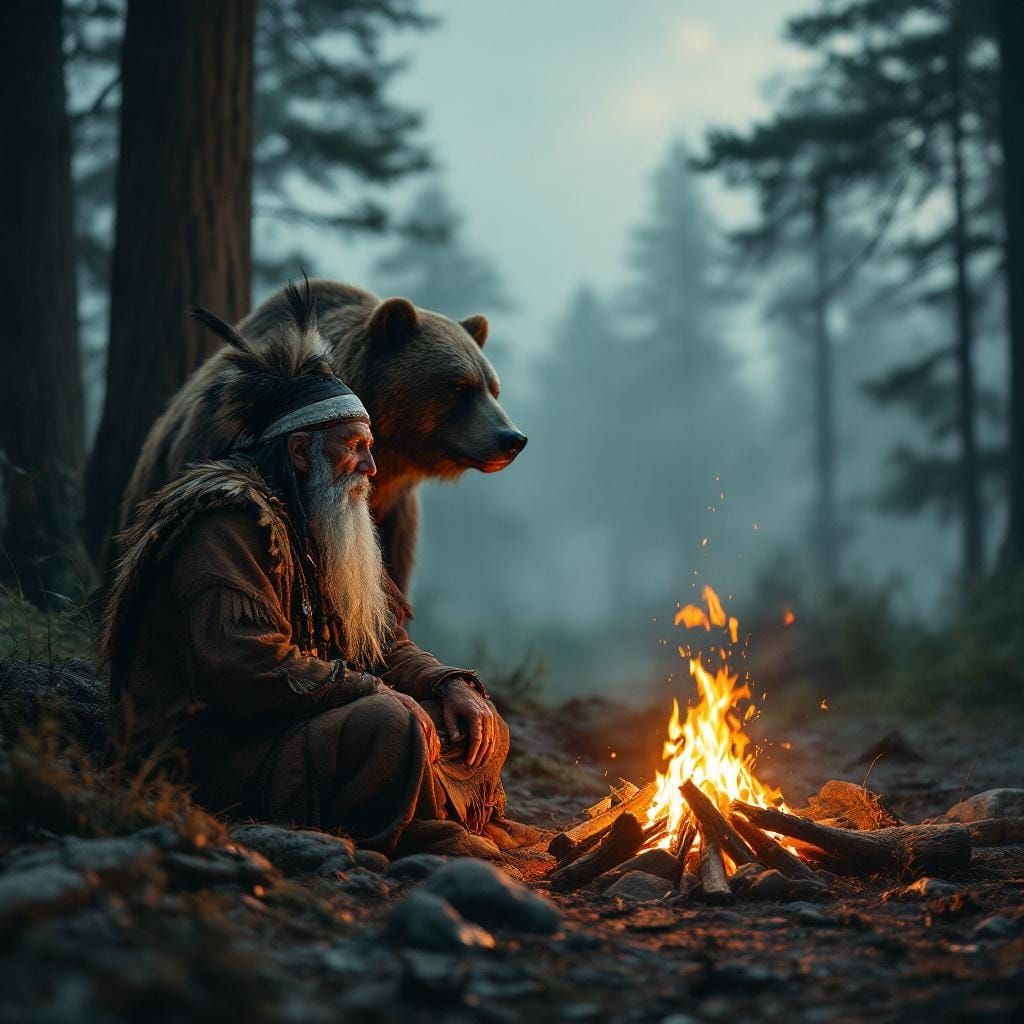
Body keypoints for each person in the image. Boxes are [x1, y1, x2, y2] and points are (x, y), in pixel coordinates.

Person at [104, 285, 530, 856]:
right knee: (391, 724)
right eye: (354, 447)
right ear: (300, 453)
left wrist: (445, 683)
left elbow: (379, 639)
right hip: (213, 747)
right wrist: (371, 691)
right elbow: (244, 666)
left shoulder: (330, 521)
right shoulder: (228, 522)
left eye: (372, 447)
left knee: (471, 720)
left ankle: (443, 816)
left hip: (296, 722)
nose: (371, 467)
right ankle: (408, 830)